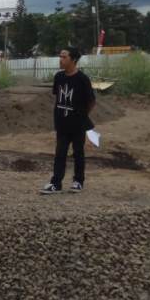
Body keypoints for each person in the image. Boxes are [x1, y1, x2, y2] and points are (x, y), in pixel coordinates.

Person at [41, 47, 95, 194]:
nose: (60, 59)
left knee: (78, 153)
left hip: (78, 125)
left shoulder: (83, 79)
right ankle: (56, 183)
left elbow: (91, 101)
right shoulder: (58, 77)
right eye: (60, 56)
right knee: (60, 154)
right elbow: (57, 96)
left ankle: (78, 181)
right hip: (62, 124)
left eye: (64, 57)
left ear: (73, 60)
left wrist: (82, 116)